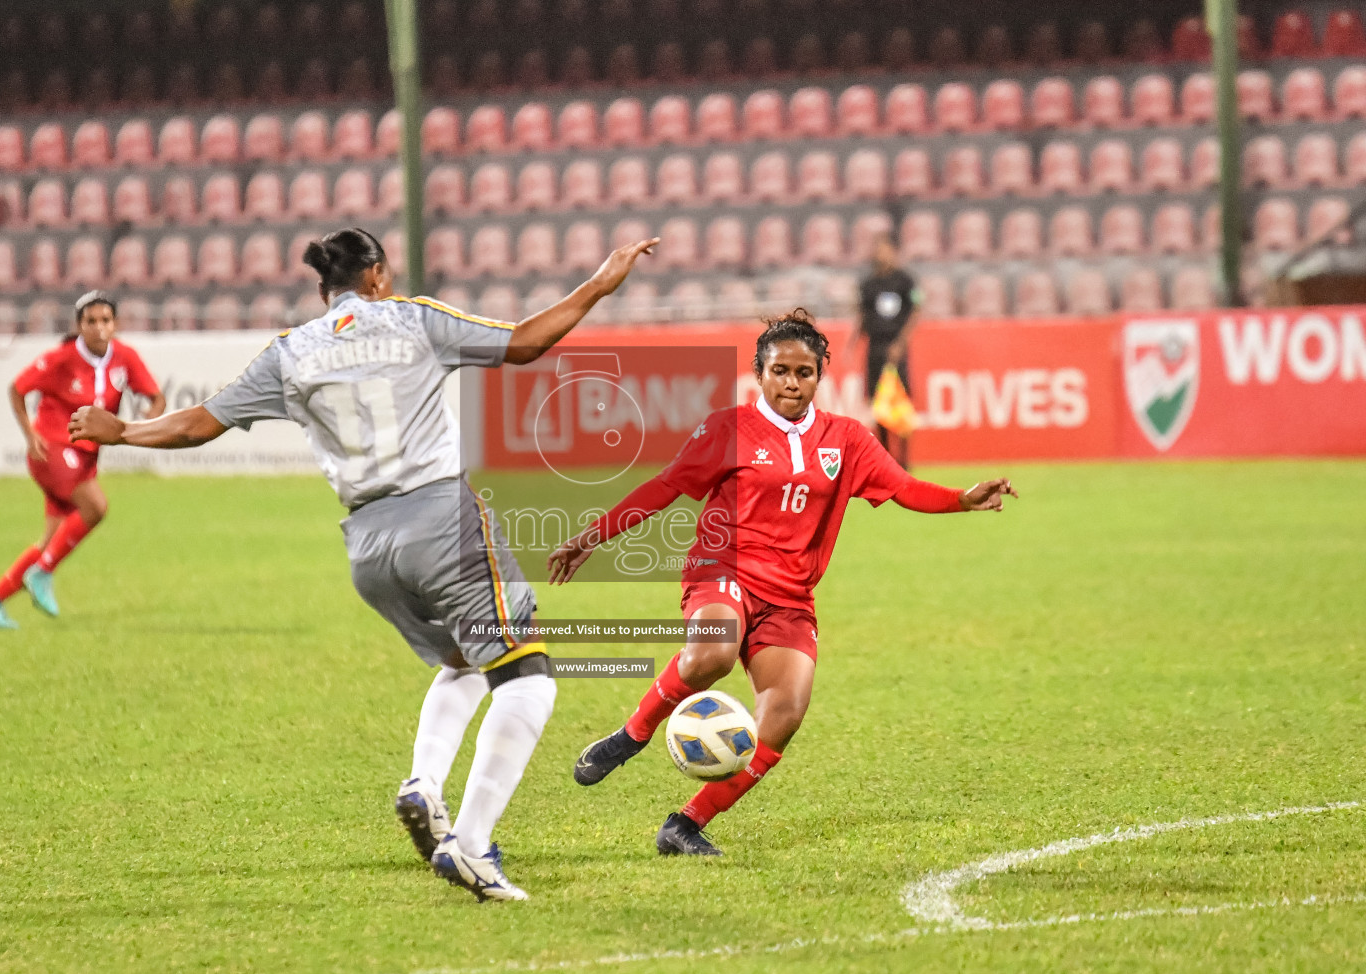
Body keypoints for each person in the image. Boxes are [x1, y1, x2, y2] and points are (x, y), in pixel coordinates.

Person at [70, 227, 658, 901]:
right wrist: (601, 283)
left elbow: (198, 424)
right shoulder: (411, 319)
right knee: (530, 678)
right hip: (442, 518)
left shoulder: (291, 352)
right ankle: (469, 846)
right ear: (376, 274)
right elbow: (524, 342)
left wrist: (124, 433)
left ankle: (424, 786)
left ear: (324, 288)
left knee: (464, 660)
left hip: (369, 549)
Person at [547, 310, 1016, 856]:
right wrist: (593, 536)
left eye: (805, 372)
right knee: (712, 654)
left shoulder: (847, 439)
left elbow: (903, 488)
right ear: (759, 374)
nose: (792, 382)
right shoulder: (729, 428)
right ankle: (631, 736)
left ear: (820, 376)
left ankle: (685, 825)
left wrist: (962, 499)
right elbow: (667, 486)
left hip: (790, 597)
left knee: (785, 712)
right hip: (724, 572)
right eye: (780, 371)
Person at [0, 291, 164, 630]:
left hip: (86, 456)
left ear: (115, 324)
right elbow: (17, 389)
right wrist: (30, 435)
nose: (99, 328)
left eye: (106, 320)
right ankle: (43, 574)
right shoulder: (61, 358)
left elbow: (156, 398)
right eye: (91, 321)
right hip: (53, 449)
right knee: (95, 507)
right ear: (79, 326)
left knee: (52, 540)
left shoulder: (125, 358)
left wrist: (148, 420)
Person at [856, 235, 922, 468]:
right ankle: (884, 457)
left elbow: (916, 310)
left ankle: (904, 459)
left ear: (893, 252)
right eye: (879, 250)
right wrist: (853, 341)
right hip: (875, 348)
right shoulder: (868, 284)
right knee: (879, 405)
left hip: (896, 349)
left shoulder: (905, 281)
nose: (882, 255)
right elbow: (862, 316)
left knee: (900, 402)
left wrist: (901, 343)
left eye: (886, 250)